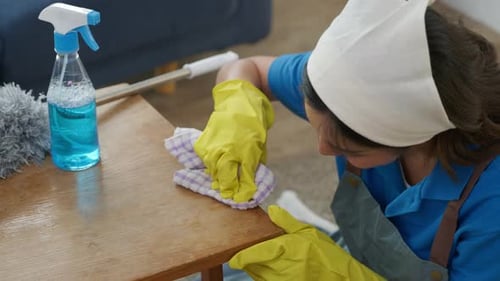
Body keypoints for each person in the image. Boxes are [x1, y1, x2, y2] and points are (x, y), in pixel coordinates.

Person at [193, 0, 500, 280]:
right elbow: (250, 69)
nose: (321, 150)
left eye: (345, 149)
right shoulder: (347, 84)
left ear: (412, 138)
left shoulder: (490, 202)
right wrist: (237, 107)